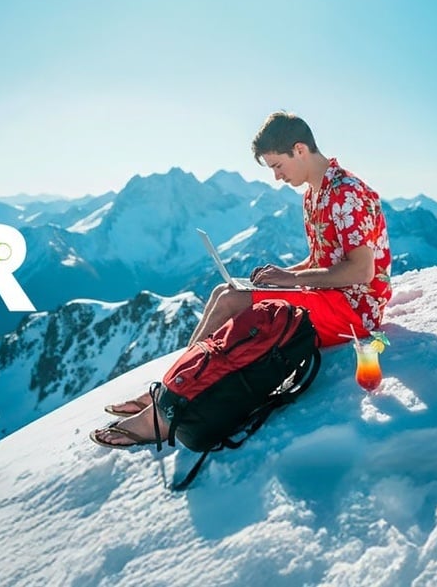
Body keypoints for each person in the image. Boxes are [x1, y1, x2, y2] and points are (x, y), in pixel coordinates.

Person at [91, 111, 392, 447]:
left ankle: (168, 408)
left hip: (354, 312)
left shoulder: (347, 193)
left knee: (233, 301)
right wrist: (280, 277)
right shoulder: (314, 194)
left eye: (278, 165)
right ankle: (172, 392)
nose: (276, 176)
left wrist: (289, 280)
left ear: (300, 150)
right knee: (224, 292)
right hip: (329, 299)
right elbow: (323, 260)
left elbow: (361, 270)